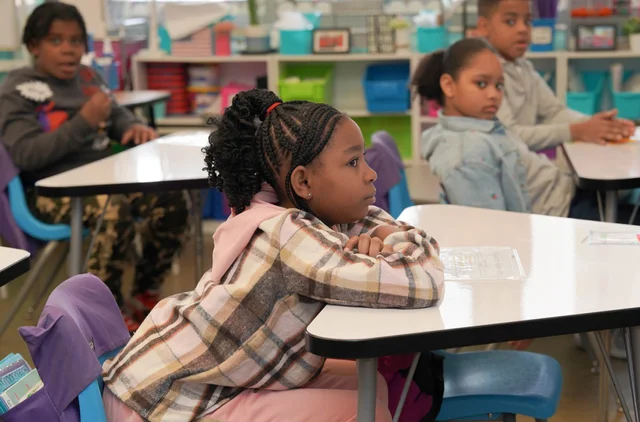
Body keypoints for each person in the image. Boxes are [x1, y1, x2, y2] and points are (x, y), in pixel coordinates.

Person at [410, 38, 640, 421]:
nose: (494, 95)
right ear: (448, 86)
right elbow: (496, 239)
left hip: (563, 210)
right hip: (562, 229)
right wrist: (520, 308)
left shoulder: (483, 127)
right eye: (481, 84)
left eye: (498, 86)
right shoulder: (468, 151)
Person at [101, 89, 445, 421]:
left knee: (370, 386)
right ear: (303, 183)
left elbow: (371, 222)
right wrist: (394, 238)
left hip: (186, 381)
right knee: (366, 411)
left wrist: (384, 235)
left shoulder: (296, 208)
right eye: (353, 162)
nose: (371, 174)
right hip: (162, 401)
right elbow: (423, 281)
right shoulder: (289, 236)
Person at [0, 2, 189, 332]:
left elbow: (115, 114)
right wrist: (84, 121)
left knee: (170, 196)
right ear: (33, 46)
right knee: (111, 210)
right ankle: (107, 314)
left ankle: (146, 293)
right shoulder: (17, 90)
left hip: (105, 181)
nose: (69, 50)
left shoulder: (89, 77)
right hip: (48, 192)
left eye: (75, 41)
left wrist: (131, 126)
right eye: (55, 41)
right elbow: (27, 155)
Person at [476, 0, 635, 151]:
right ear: (484, 26)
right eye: (510, 21)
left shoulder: (524, 67)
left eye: (528, 21)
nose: (522, 29)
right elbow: (508, 136)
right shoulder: (483, 74)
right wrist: (577, 130)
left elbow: (554, 112)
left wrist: (599, 125)